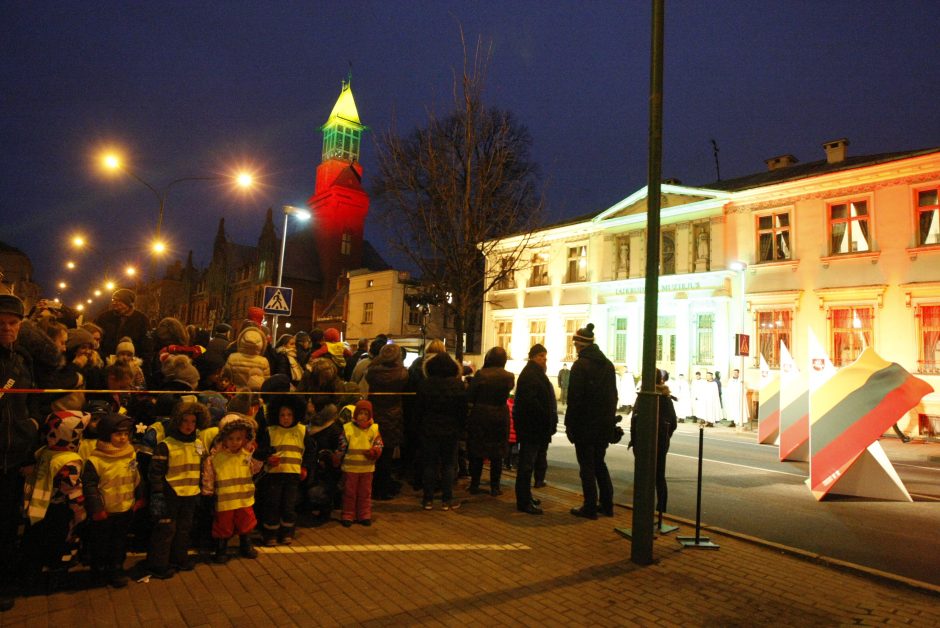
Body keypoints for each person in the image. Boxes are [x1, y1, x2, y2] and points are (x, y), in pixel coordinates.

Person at [20, 410, 89, 594]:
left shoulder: (44, 452)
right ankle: (55, 579)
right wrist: (80, 511)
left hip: (37, 507)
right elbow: (72, 490)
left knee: (34, 543)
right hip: (59, 510)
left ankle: (30, 577)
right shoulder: (69, 461)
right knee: (58, 545)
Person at [0, 294, 39, 611]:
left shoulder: (22, 359)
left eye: (13, 323)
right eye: (1, 324)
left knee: (8, 521)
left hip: (14, 454)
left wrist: (32, 425)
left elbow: (34, 397)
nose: (7, 329)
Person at [145, 400, 209, 579]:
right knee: (165, 531)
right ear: (177, 421)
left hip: (190, 494)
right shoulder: (166, 445)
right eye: (185, 421)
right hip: (170, 494)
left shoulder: (198, 444)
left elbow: (202, 467)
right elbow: (156, 472)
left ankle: (179, 559)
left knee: (183, 529)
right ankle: (158, 565)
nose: (189, 426)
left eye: (193, 422)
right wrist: (158, 494)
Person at [81, 411, 143, 588]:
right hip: (106, 511)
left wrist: (139, 496)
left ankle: (116, 568)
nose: (123, 438)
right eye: (117, 434)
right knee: (101, 543)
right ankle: (98, 570)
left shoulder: (130, 453)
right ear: (107, 435)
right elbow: (90, 486)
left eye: (125, 434)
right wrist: (97, 508)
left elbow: (136, 477)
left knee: (119, 542)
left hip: (125, 508)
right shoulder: (96, 459)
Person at [564, 323, 617, 520]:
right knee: (599, 463)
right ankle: (607, 504)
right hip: (603, 425)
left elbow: (574, 399)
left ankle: (589, 506)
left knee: (586, 466)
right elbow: (613, 396)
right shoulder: (608, 365)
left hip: (585, 425)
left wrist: (570, 425)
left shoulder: (580, 366)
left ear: (579, 345)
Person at [202, 417, 262, 563]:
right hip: (225, 501)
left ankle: (246, 544)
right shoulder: (216, 457)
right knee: (223, 526)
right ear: (223, 438)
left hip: (244, 500)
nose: (235, 442)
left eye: (239, 438)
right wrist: (208, 492)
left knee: (246, 523)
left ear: (245, 439)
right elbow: (209, 476)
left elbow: (255, 469)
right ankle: (221, 549)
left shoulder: (247, 455)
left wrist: (260, 457)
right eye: (231, 438)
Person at [417, 351, 466, 511]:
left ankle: (428, 500)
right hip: (451, 430)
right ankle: (447, 500)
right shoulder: (458, 384)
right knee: (448, 465)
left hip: (429, 429)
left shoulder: (425, 384)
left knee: (429, 464)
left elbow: (419, 409)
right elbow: (462, 410)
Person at [512, 344, 557, 515]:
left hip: (534, 428)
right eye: (541, 356)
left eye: (545, 357)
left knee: (528, 465)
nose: (544, 360)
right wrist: (545, 416)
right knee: (526, 466)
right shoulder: (531, 375)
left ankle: (526, 496)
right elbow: (531, 404)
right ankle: (523, 501)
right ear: (533, 357)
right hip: (532, 428)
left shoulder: (534, 373)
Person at [467, 347, 515, 496]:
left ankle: (475, 484)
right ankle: (495, 487)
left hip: (481, 415)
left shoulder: (481, 374)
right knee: (497, 453)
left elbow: (470, 395)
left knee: (478, 451)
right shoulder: (509, 376)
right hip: (500, 415)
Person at [630, 369, 678, 516]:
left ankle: (643, 507)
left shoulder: (645, 396)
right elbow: (673, 423)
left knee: (643, 475)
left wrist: (635, 438)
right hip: (659, 442)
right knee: (658, 476)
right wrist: (665, 436)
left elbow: (635, 419)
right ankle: (661, 510)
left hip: (645, 442)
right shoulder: (665, 397)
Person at [259, 397, 307, 546]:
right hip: (274, 475)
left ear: (295, 415)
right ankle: (270, 534)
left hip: (293, 475)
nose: (286, 418)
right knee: (273, 504)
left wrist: (305, 468)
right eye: (282, 415)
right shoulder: (271, 431)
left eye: (289, 415)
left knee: (289, 505)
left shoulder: (302, 431)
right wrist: (268, 457)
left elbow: (309, 452)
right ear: (275, 415)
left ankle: (287, 532)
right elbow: (262, 450)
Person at [365, 343, 409, 500]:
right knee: (387, 455)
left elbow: (369, 371)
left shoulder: (372, 373)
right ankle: (382, 489)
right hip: (392, 417)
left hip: (375, 415)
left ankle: (372, 487)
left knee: (375, 452)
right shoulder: (402, 374)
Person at [336, 400, 383, 527]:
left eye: (365, 414)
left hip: (367, 469)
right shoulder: (348, 429)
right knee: (349, 493)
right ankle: (348, 514)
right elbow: (342, 446)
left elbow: (379, 444)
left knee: (365, 493)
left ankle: (364, 514)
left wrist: (375, 451)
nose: (362, 416)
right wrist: (338, 457)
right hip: (351, 468)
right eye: (360, 413)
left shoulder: (374, 429)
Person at [94, 289, 150, 365]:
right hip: (106, 362)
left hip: (130, 363)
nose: (114, 302)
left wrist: (140, 363)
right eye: (113, 300)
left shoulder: (142, 319)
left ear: (128, 303)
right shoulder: (104, 317)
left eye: (119, 300)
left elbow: (146, 345)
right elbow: (96, 338)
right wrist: (101, 357)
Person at [224, 323, 271, 391]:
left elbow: (227, 377)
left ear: (241, 340)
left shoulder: (232, 357)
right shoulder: (264, 361)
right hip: (254, 395)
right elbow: (266, 381)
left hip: (235, 393)